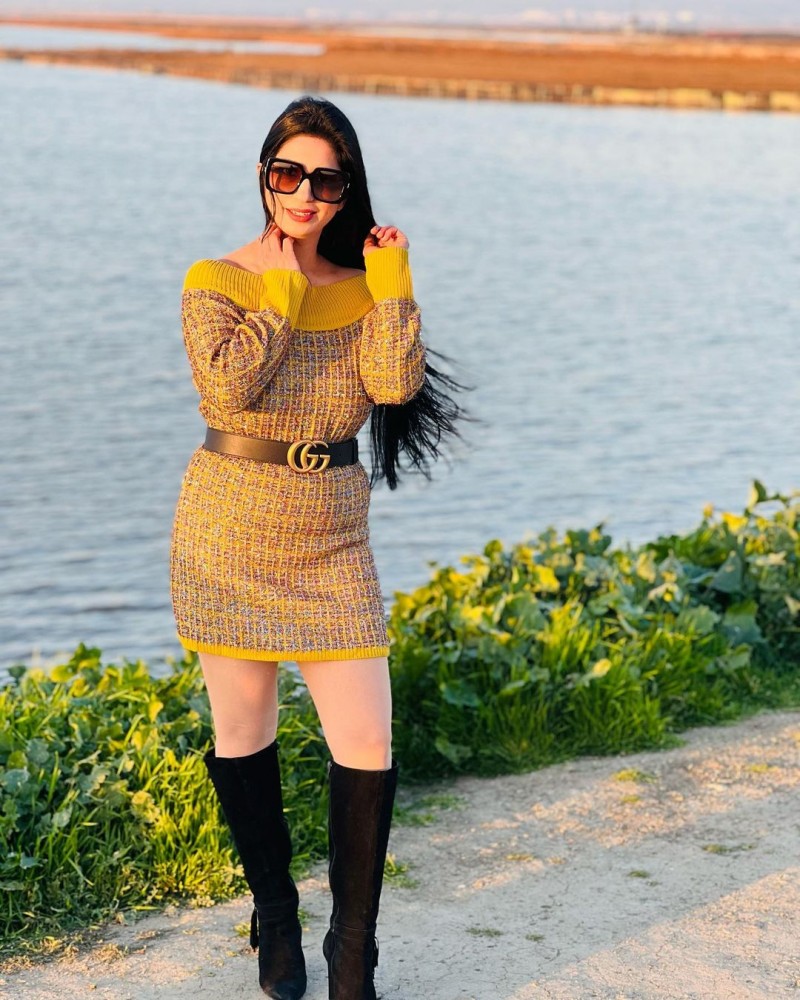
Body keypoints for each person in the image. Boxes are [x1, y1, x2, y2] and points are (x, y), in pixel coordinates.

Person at [169, 94, 469, 1000]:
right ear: (265, 177)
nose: (305, 192)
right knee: (244, 732)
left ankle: (352, 952)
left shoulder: (364, 285)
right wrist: (283, 291)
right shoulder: (215, 279)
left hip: (332, 538)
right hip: (229, 528)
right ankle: (275, 917)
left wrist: (394, 283)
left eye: (326, 181)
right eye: (289, 173)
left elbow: (393, 384)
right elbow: (230, 392)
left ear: (345, 191)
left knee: (367, 738)